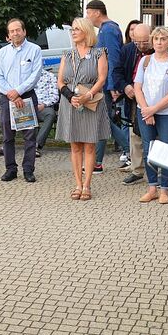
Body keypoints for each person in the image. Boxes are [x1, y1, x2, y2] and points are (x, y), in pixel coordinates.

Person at [56, 17, 110, 201]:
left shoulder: (99, 53)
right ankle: (77, 184)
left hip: (90, 101)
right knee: (75, 145)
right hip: (71, 102)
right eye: (72, 29)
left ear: (86, 31)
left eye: (77, 29)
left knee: (89, 144)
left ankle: (87, 185)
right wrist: (70, 96)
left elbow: (102, 78)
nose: (73, 32)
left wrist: (89, 95)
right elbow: (60, 81)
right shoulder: (67, 54)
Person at [133, 26, 168, 205]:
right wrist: (146, 110)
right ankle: (152, 188)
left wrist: (153, 110)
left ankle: (164, 189)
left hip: (167, 113)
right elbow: (137, 87)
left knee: (166, 149)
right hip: (145, 111)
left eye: (163, 39)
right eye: (156, 39)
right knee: (149, 149)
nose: (159, 42)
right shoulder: (145, 61)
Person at [0, 19, 43, 183]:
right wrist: (12, 94)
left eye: (18, 30)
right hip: (7, 97)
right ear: (8, 35)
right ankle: (10, 169)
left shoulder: (34, 50)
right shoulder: (3, 52)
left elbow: (35, 75)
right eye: (12, 31)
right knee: (8, 136)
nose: (15, 33)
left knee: (29, 136)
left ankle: (28, 169)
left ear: (24, 31)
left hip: (26, 96)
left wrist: (18, 92)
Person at [85, 0, 128, 173]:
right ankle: (97, 162)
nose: (87, 17)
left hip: (107, 83)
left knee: (103, 121)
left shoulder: (109, 30)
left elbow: (112, 58)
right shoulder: (105, 29)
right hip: (104, 82)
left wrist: (112, 84)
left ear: (97, 12)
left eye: (88, 13)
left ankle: (131, 149)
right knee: (103, 121)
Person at [112, 23, 152, 185]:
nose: (141, 46)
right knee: (135, 134)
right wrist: (125, 86)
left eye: (145, 42)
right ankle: (137, 170)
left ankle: (156, 170)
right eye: (138, 42)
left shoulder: (158, 49)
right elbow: (117, 72)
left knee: (154, 136)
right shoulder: (127, 50)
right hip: (134, 99)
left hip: (155, 99)